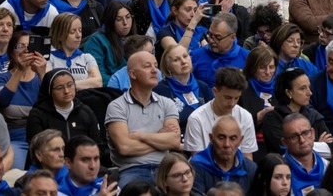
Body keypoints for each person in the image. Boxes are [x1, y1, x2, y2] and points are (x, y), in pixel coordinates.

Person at [106, 50, 183, 187]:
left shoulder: (167, 103)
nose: (154, 71)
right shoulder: (116, 106)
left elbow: (174, 140)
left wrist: (139, 135)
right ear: (133, 74)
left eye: (155, 65)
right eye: (147, 66)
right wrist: (159, 139)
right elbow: (124, 147)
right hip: (131, 170)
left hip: (164, 169)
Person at [189, 115, 258, 195]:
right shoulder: (196, 166)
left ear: (240, 140)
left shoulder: (250, 168)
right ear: (211, 138)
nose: (227, 144)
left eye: (233, 138)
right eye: (221, 138)